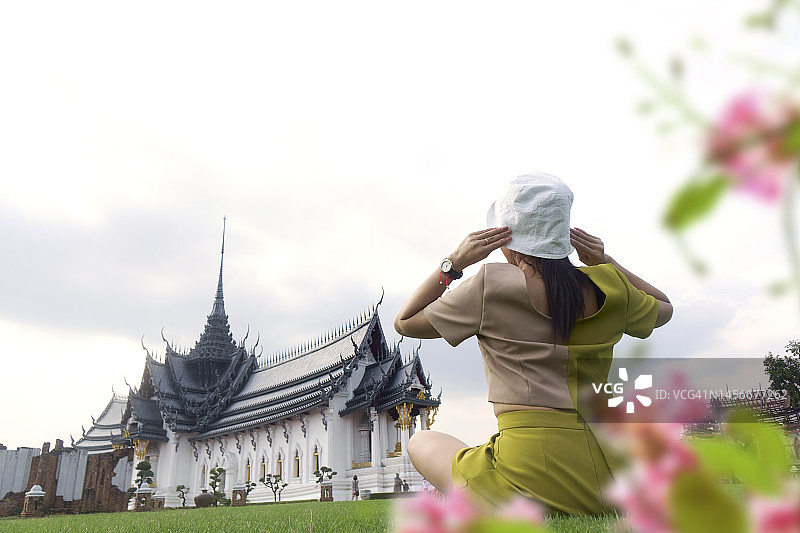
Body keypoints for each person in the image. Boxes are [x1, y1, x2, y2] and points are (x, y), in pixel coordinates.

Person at [394, 173, 673, 515]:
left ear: (504, 238)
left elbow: (405, 322)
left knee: (421, 440)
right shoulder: (609, 287)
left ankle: (469, 498)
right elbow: (664, 309)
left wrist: (454, 263)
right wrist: (605, 261)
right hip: (608, 480)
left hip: (525, 481)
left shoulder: (491, 285)